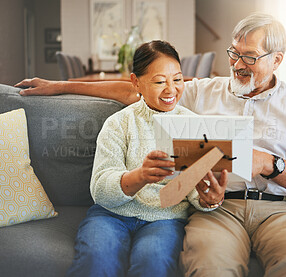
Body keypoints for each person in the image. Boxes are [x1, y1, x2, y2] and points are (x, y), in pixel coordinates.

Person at [16, 13, 286, 276]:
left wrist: (267, 163)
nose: (237, 64)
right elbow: (139, 91)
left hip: (281, 211)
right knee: (207, 263)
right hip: (221, 208)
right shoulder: (204, 91)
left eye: (249, 56)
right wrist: (59, 85)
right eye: (234, 53)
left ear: (277, 60)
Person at [63, 40, 227, 277]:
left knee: (153, 263)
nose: (171, 90)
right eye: (160, 82)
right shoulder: (119, 123)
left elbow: (194, 190)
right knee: (96, 259)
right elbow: (99, 190)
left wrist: (209, 200)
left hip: (165, 219)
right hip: (111, 215)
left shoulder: (192, 124)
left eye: (178, 79)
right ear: (136, 82)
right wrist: (139, 176)